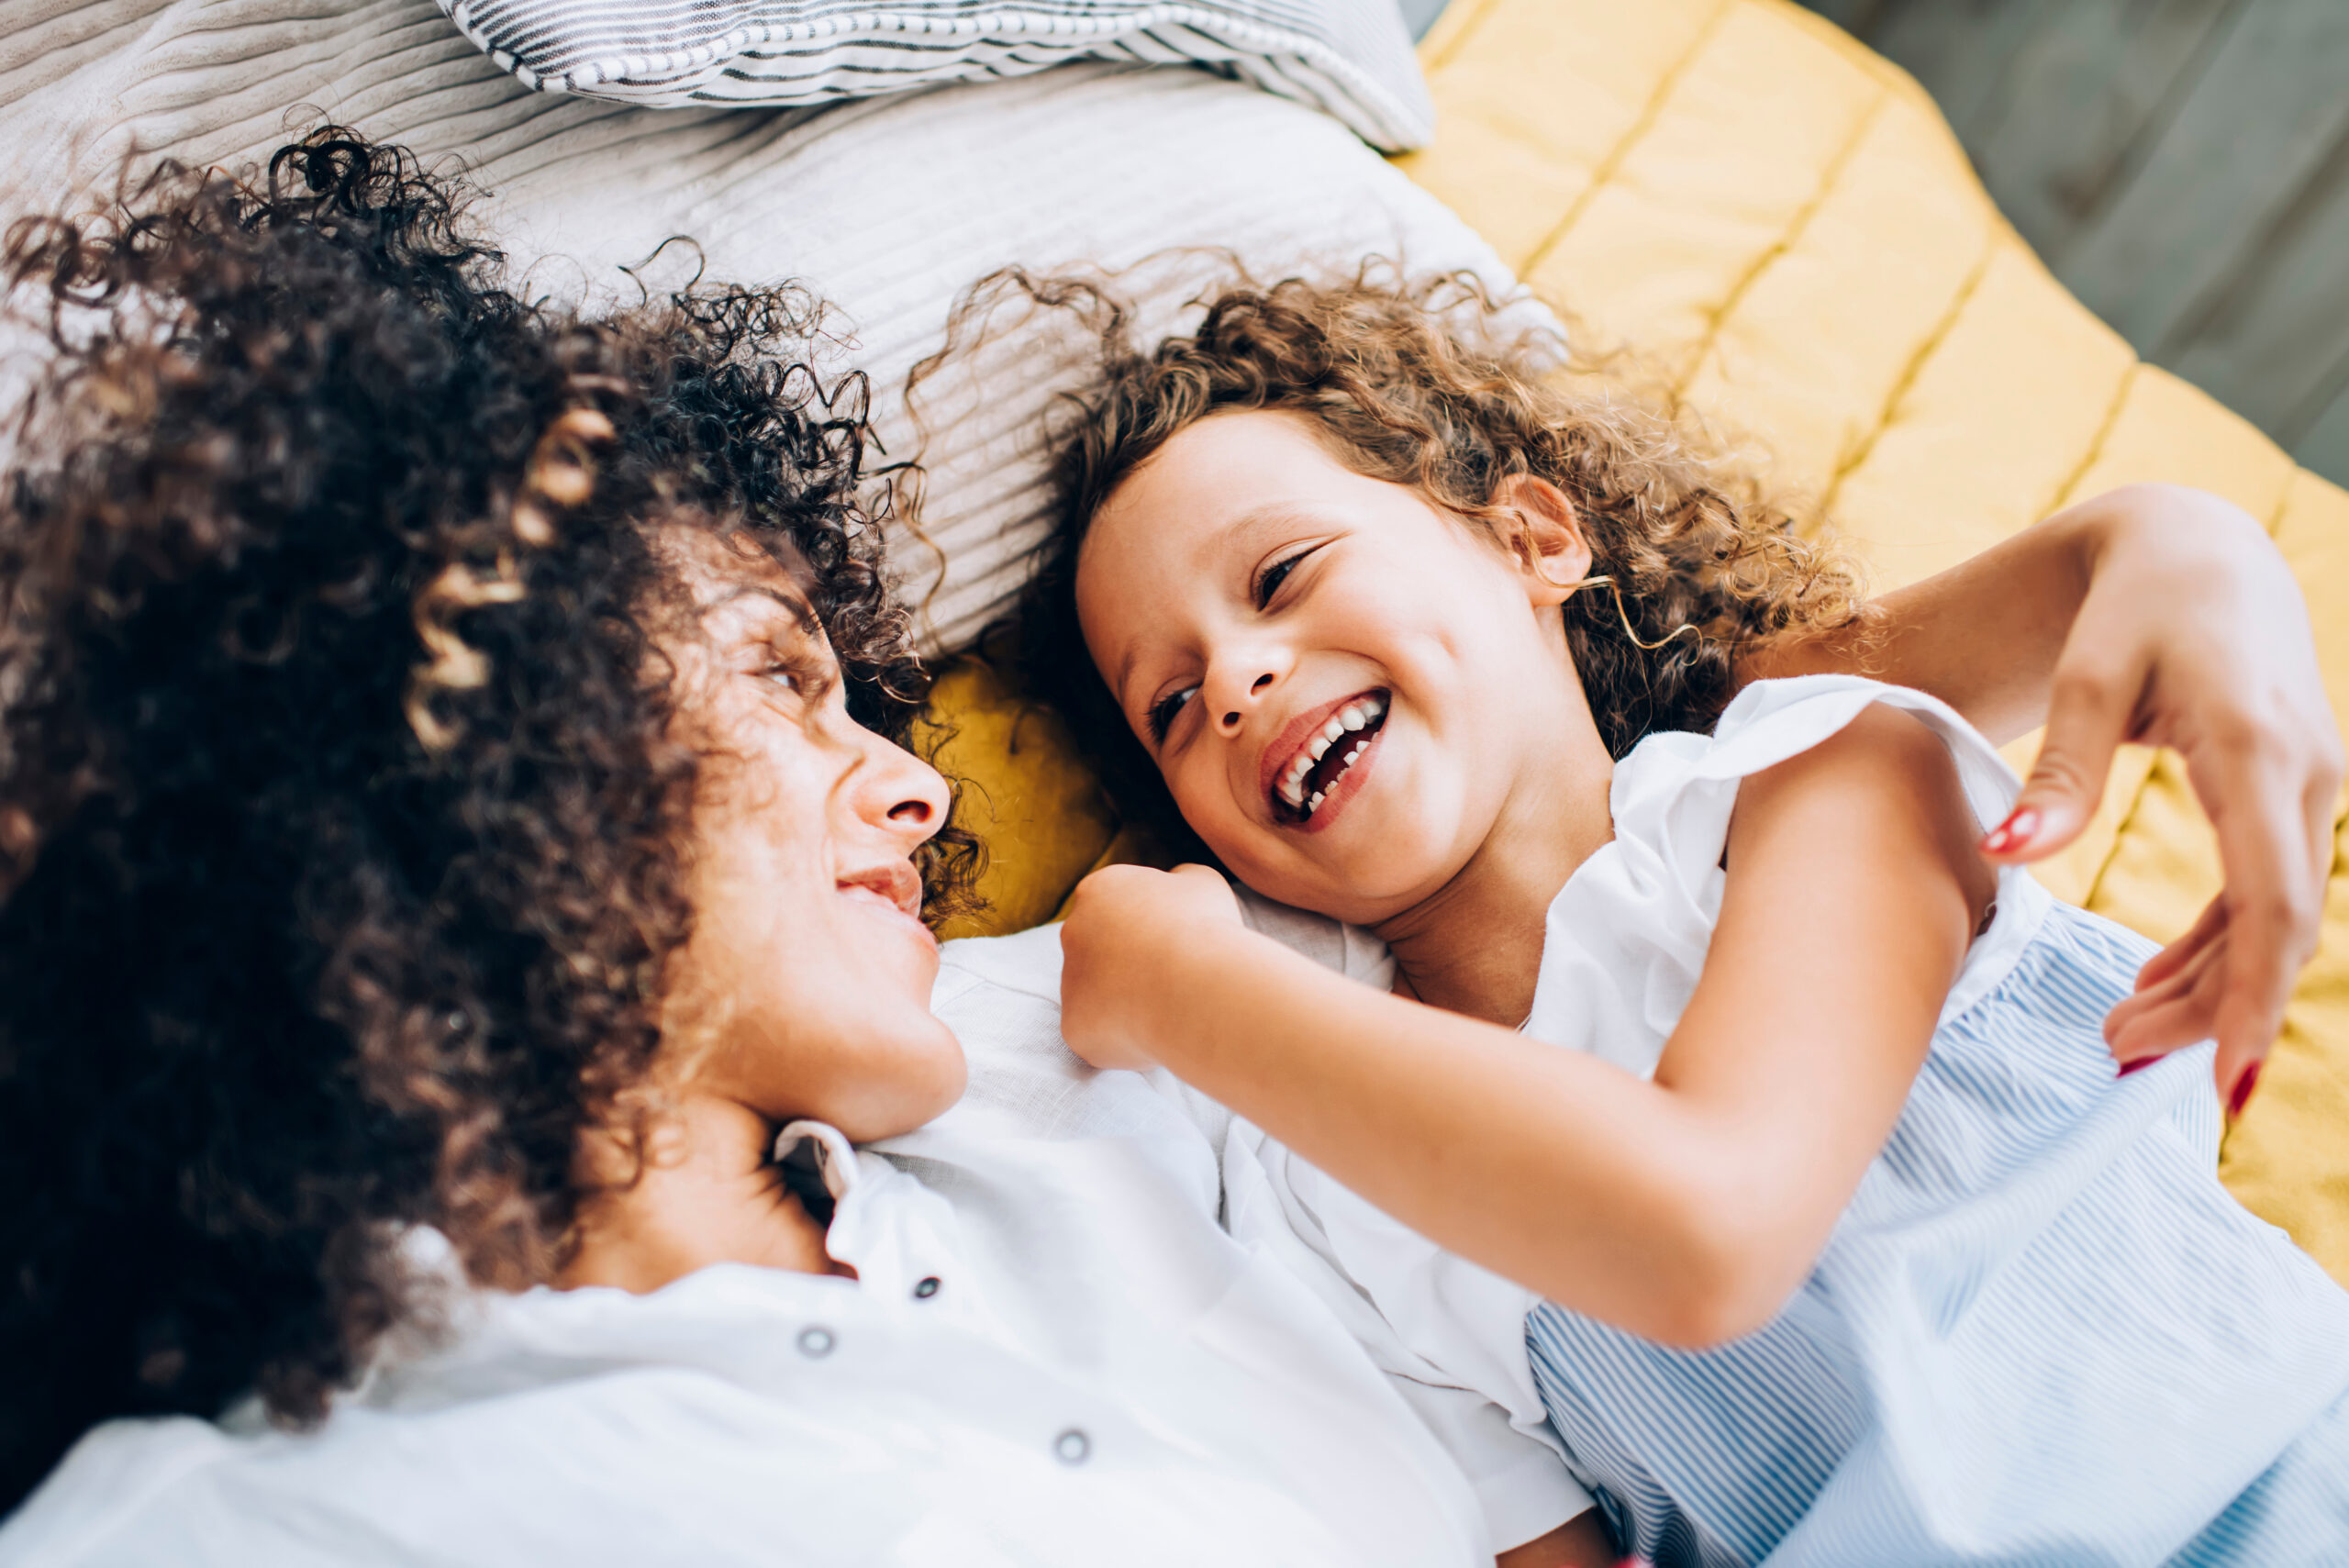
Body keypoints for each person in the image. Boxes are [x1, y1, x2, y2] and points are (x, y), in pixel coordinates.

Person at [0, 137, 1500, 1565]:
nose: (923, 792)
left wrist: (1747, 733)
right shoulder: (246, 1507)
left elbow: (1575, 905)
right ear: (488, 731)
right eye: (784, 676)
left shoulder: (1116, 1023)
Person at [1019, 272, 2349, 1563]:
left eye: (1283, 576)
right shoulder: (1316, 1188)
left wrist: (1177, 986)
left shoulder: (1818, 770)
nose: (1238, 681)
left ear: (1532, 538)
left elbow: (1702, 1230)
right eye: (1172, 708)